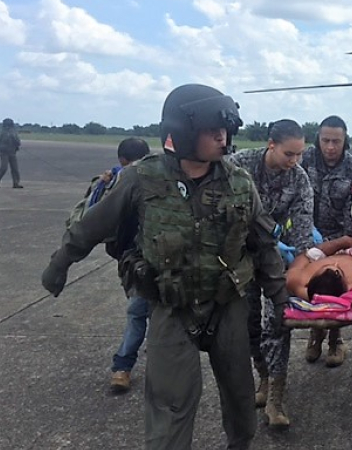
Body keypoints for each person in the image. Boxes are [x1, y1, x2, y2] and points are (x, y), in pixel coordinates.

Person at [41, 83, 289, 450]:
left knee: (240, 402)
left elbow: (264, 244)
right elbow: (94, 224)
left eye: (225, 129)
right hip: (173, 308)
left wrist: (280, 298)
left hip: (227, 305)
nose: (222, 138)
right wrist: (60, 263)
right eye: (212, 130)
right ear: (184, 130)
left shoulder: (239, 182)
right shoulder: (143, 177)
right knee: (170, 409)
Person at [229, 119, 313, 428]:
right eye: (289, 154)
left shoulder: (299, 178)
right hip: (238, 255)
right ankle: (262, 376)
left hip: (277, 258)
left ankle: (276, 397)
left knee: (278, 321)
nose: (294, 162)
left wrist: (301, 261)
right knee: (248, 322)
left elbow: (304, 222)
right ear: (271, 145)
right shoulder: (239, 166)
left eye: (300, 155)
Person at [300, 115, 352, 367]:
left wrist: (341, 243)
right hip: (308, 234)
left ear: (344, 140)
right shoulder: (305, 159)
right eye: (325, 140)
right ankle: (315, 334)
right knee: (310, 285)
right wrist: (308, 237)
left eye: (336, 141)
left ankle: (335, 338)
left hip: (341, 237)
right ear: (318, 139)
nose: (330, 147)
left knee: (337, 287)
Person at [103, 138, 152, 394]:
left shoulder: (119, 178)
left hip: (150, 260)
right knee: (140, 312)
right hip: (139, 262)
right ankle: (123, 366)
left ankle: (124, 367)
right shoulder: (145, 177)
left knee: (140, 314)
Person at [0, 118, 23, 188]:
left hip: (12, 152)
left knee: (15, 168)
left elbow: (18, 142)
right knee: (4, 167)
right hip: (4, 152)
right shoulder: (2, 132)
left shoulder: (14, 133)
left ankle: (16, 183)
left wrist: (15, 141)